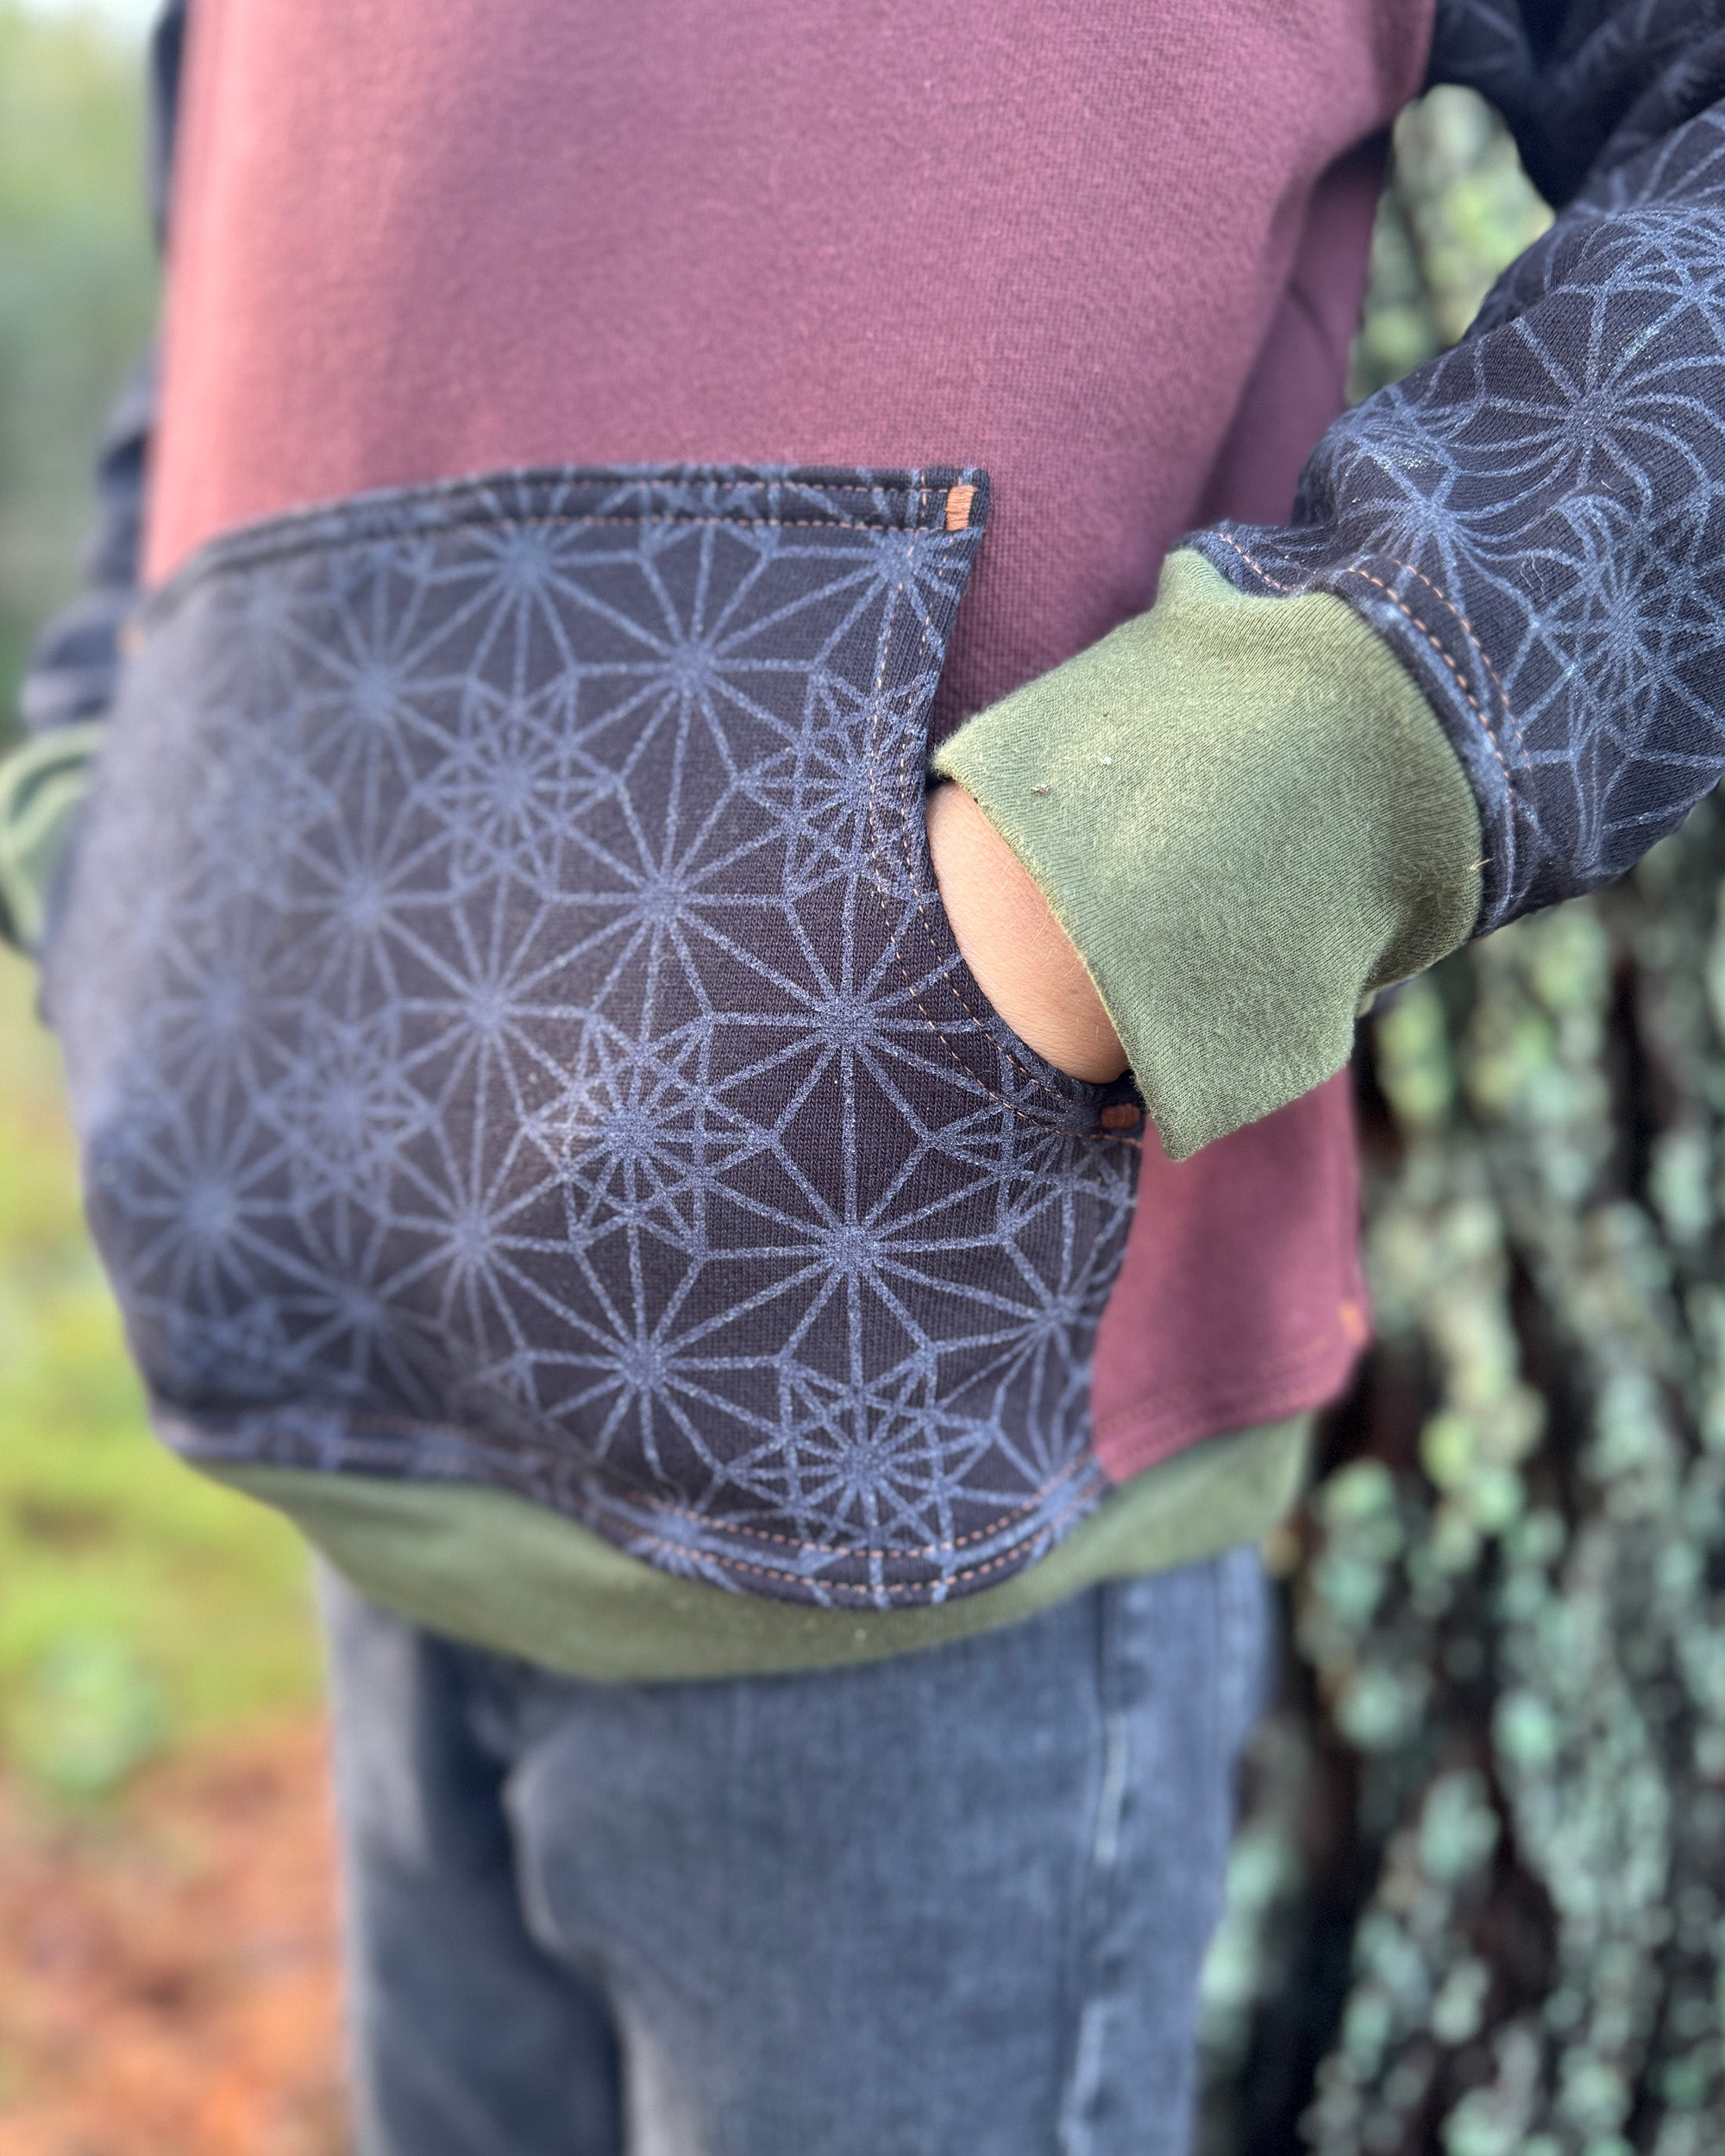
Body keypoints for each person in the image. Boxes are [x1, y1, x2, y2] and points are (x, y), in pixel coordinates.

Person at [3, 3, 1722, 2149]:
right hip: (340, 1406)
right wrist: (97, 816)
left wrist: (1226, 821)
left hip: (905, 1501)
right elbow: (226, 273)